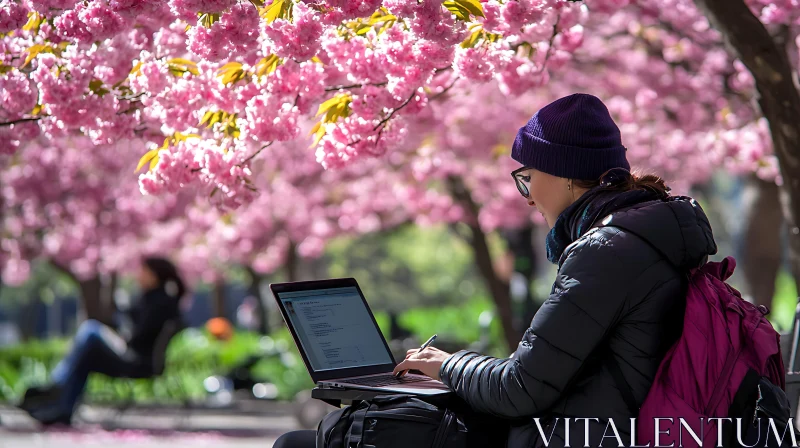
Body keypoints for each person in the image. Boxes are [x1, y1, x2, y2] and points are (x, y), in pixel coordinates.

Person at [272, 93, 718, 448]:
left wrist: (447, 365)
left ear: (564, 175)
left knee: (314, 440)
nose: (526, 196)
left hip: (578, 435)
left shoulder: (605, 251)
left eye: (528, 177)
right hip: (609, 427)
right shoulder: (644, 238)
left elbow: (521, 389)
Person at [19, 256, 186, 426]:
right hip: (135, 357)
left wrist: (122, 331)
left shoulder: (160, 301)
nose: (138, 276)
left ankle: (57, 387)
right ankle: (63, 406)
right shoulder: (154, 299)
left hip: (138, 361)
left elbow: (139, 335)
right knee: (87, 354)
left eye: (143, 272)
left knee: (90, 330)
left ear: (154, 275)